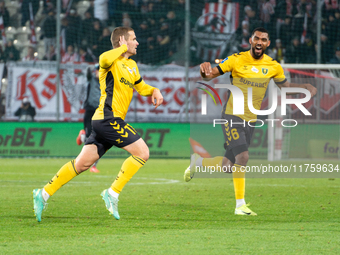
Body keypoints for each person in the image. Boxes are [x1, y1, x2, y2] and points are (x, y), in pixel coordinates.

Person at [32, 26, 164, 222]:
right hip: (108, 118)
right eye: (133, 39)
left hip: (106, 121)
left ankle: (42, 194)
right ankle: (113, 193)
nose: (137, 42)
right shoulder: (110, 62)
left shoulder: (132, 65)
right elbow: (103, 59)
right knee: (143, 152)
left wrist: (154, 90)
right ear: (123, 41)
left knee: (82, 163)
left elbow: (141, 86)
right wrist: (120, 49)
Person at [184, 27, 317, 216]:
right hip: (232, 115)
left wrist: (303, 86)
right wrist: (204, 70)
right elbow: (210, 74)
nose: (259, 42)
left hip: (251, 120)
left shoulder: (273, 65)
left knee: (227, 166)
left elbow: (284, 86)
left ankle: (198, 162)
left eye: (263, 39)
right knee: (243, 157)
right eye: (257, 38)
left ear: (267, 43)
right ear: (251, 40)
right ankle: (240, 206)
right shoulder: (236, 59)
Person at [76, 63, 101, 173]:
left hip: (100, 112)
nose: (99, 73)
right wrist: (95, 66)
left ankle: (94, 166)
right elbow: (87, 71)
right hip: (90, 110)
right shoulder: (91, 80)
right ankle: (83, 136)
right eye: (98, 71)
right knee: (89, 139)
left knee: (100, 139)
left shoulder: (106, 82)